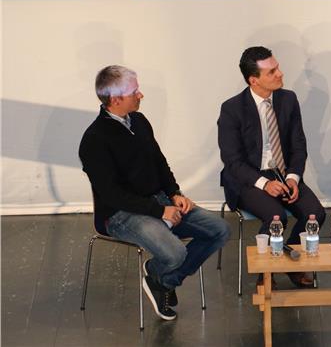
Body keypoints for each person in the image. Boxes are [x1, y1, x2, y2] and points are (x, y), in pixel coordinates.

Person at [79, 66, 230, 321]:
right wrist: (160, 211)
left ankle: (162, 280)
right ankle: (164, 276)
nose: (141, 95)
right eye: (134, 91)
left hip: (159, 201)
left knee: (220, 230)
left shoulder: (139, 121)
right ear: (115, 99)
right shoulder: (94, 139)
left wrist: (174, 193)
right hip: (120, 215)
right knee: (175, 254)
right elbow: (112, 195)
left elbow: (159, 162)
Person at [218, 46, 325, 288]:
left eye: (277, 68)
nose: (280, 74)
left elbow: (298, 145)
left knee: (315, 213)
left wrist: (293, 178)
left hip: (283, 172)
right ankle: (265, 272)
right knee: (276, 217)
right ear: (253, 80)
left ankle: (291, 264)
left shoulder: (288, 99)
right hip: (248, 178)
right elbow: (233, 161)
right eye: (272, 72)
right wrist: (265, 184)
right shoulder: (232, 109)